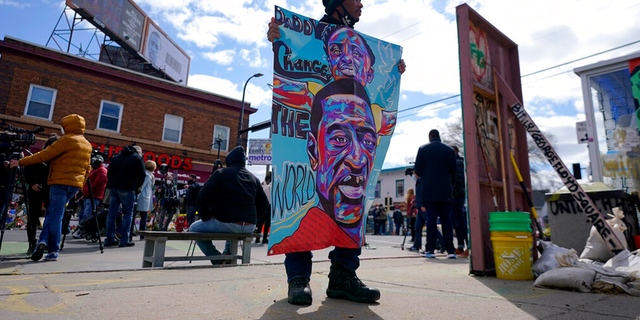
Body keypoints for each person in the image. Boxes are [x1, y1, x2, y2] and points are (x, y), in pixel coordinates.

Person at [267, 0, 405, 305]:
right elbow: (293, 60)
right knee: (300, 203)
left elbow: (381, 87)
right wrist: (279, 36)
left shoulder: (362, 51)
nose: (361, 3)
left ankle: (343, 276)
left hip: (344, 124)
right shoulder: (311, 37)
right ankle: (298, 278)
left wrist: (393, 73)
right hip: (314, 127)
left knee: (353, 207)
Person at [11, 114, 92, 261]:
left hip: (59, 182)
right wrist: (80, 186)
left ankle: (51, 248)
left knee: (55, 215)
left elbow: (44, 155)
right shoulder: (87, 144)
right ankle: (44, 242)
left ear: (67, 126)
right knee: (53, 213)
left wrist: (20, 162)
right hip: (74, 185)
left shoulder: (66, 140)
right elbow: (88, 169)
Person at [189, 146, 268, 263]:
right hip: (249, 227)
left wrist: (205, 216)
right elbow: (264, 203)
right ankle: (228, 254)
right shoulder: (254, 178)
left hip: (229, 223)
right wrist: (254, 220)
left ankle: (217, 259)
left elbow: (202, 196)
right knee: (231, 224)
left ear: (229, 160)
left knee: (194, 228)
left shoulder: (221, 173)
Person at [414, 129, 457, 259]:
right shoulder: (449, 150)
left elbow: (418, 170)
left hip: (429, 191)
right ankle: (450, 250)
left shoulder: (423, 149)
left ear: (430, 137)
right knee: (446, 220)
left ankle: (430, 250)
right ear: (439, 137)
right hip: (445, 190)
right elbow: (454, 171)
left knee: (431, 221)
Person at [104, 145, 146, 247]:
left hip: (113, 187)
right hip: (127, 187)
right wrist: (137, 186)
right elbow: (142, 175)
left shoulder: (116, 157)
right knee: (128, 214)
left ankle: (109, 239)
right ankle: (124, 240)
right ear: (138, 152)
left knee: (111, 214)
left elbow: (109, 173)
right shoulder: (137, 158)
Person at [23, 134, 58, 254]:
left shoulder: (57, 159)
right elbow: (26, 169)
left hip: (50, 189)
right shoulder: (39, 156)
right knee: (33, 217)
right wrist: (32, 183)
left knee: (51, 217)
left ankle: (45, 242)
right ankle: (32, 244)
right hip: (36, 189)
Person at [451, 146, 469, 258]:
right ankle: (461, 246)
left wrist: (452, 194)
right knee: (456, 222)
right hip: (456, 195)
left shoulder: (457, 163)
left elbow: (459, 180)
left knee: (460, 222)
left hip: (457, 196)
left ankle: (468, 246)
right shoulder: (456, 163)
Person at [78, 155, 107, 223]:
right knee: (83, 213)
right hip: (87, 196)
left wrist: (85, 193)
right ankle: (81, 228)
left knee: (87, 214)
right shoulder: (93, 170)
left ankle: (86, 229)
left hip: (94, 196)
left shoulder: (102, 171)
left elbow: (96, 185)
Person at [136, 160, 156, 240]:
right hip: (143, 198)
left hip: (142, 198)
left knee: (140, 216)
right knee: (143, 216)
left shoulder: (148, 175)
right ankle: (142, 234)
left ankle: (141, 233)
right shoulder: (148, 175)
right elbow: (142, 187)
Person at [255, 171, 272, 244]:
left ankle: (257, 238)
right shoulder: (272, 184)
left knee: (260, 222)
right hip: (269, 205)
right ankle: (264, 238)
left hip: (262, 205)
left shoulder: (262, 183)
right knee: (267, 223)